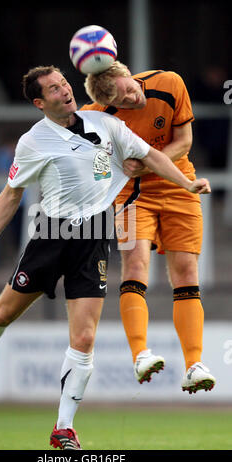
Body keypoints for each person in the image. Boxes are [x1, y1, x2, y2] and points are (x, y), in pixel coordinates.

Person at [0, 65, 211, 450]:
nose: (64, 91)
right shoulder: (33, 142)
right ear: (39, 102)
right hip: (51, 235)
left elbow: (151, 155)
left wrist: (186, 182)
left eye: (64, 83)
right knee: (1, 315)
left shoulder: (104, 123)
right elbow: (12, 193)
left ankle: (62, 428)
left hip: (94, 238)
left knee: (84, 337)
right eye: (53, 89)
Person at [82, 61, 216, 394]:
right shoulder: (96, 114)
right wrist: (112, 161)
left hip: (178, 184)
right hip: (130, 195)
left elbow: (184, 141)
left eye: (130, 90)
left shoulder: (170, 83)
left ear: (128, 74)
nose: (132, 100)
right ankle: (140, 354)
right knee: (136, 262)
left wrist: (144, 164)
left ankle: (194, 365)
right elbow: (83, 153)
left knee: (186, 272)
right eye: (124, 102)